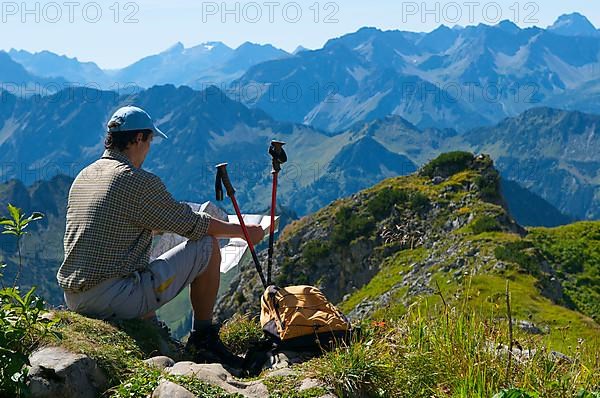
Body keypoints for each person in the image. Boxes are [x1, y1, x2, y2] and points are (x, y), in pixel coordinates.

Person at [57, 105, 264, 366]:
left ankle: (152, 328)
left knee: (151, 252)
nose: (149, 148)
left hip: (74, 296)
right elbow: (193, 224)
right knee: (206, 246)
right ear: (139, 138)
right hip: (112, 298)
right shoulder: (136, 179)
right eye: (150, 140)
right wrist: (245, 233)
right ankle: (204, 339)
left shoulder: (85, 176)